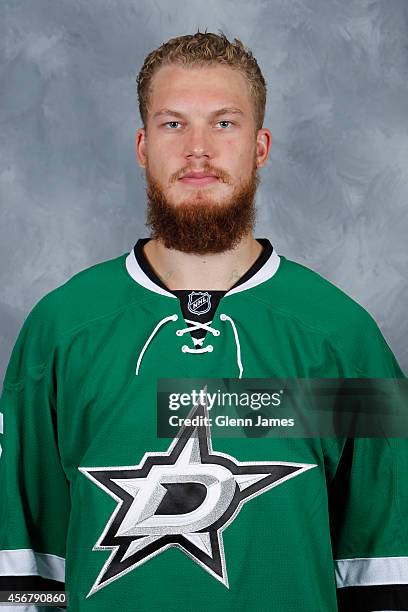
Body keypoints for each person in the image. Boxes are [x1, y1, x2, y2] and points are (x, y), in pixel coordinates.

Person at [0, 30, 406, 612]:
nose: (197, 149)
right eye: (173, 124)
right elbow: (24, 571)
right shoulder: (62, 329)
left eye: (223, 123)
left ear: (259, 146)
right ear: (142, 146)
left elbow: (384, 571)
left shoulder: (342, 336)